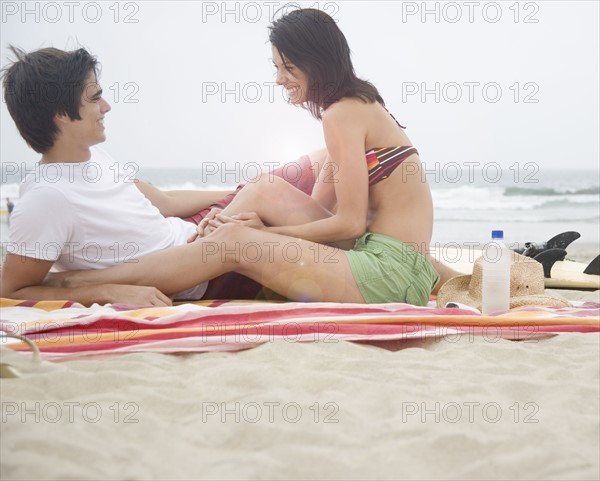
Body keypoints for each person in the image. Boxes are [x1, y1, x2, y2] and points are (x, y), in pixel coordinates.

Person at [53, 8, 459, 305]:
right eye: (277, 67)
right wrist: (253, 216)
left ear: (314, 64)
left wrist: (261, 233)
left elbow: (349, 223)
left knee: (234, 240)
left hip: (390, 274)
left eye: (287, 67)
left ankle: (92, 282)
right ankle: (130, 274)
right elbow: (324, 215)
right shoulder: (358, 106)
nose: (279, 78)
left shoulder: (342, 113)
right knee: (259, 199)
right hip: (396, 265)